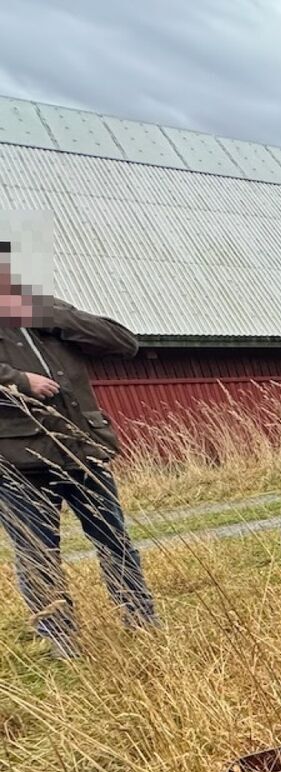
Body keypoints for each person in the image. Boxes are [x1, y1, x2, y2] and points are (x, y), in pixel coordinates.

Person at [0, 242, 157, 658]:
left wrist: (49, 312)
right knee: (36, 552)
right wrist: (18, 380)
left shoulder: (46, 314)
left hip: (81, 451)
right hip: (19, 463)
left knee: (114, 540)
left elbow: (125, 342)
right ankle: (61, 642)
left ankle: (141, 621)